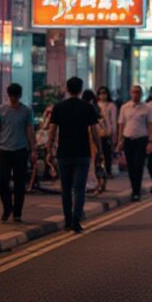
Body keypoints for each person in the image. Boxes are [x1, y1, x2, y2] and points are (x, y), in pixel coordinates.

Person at [47, 77, 100, 233]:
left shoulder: (58, 107)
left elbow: (52, 131)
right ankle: (76, 220)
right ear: (81, 89)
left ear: (67, 89)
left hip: (64, 152)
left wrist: (50, 149)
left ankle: (67, 220)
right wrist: (100, 151)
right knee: (79, 188)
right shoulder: (88, 108)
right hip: (82, 152)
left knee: (66, 188)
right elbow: (95, 133)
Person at [0, 83, 35, 222]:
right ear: (8, 95)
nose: (13, 99)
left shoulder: (26, 111)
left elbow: (29, 131)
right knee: (1, 181)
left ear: (19, 96)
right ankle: (8, 206)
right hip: (4, 149)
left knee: (19, 183)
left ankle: (17, 213)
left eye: (16, 96)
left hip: (21, 150)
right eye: (11, 96)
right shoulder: (1, 110)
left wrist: (33, 149)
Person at [117, 85, 152, 201]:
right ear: (130, 93)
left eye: (138, 92)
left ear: (141, 94)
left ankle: (136, 191)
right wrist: (119, 141)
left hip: (141, 139)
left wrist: (150, 141)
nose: (135, 94)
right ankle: (134, 187)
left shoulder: (146, 108)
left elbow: (150, 125)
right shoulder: (124, 107)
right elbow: (121, 125)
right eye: (133, 92)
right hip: (128, 138)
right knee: (130, 166)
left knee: (139, 166)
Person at [97, 86, 117, 182]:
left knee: (107, 153)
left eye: (104, 93)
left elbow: (113, 121)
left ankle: (108, 171)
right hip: (97, 133)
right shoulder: (96, 105)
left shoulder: (111, 106)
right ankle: (99, 172)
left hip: (107, 133)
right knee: (98, 153)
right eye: (101, 93)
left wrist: (113, 134)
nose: (102, 95)